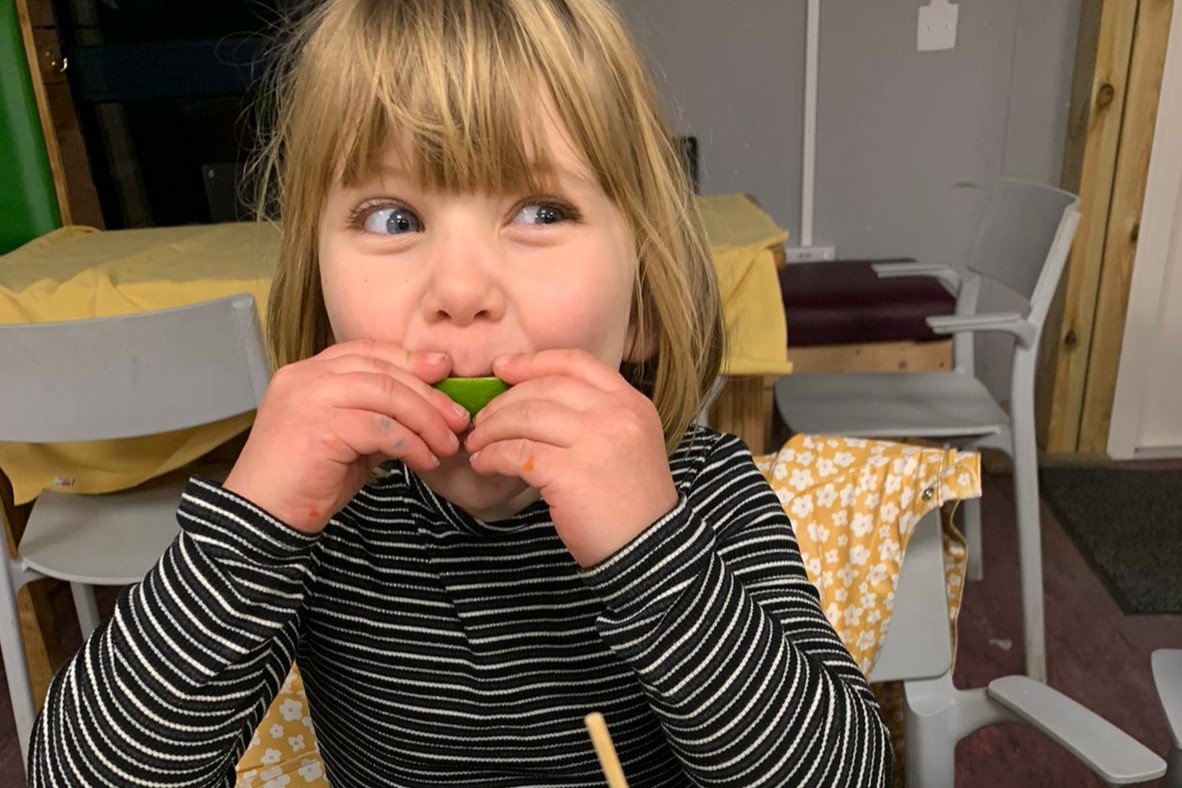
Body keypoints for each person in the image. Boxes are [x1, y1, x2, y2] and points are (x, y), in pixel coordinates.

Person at [28, 0, 892, 784]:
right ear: (323, 306)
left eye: (542, 211)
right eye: (392, 219)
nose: (461, 286)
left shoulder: (705, 496)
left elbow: (844, 773)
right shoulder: (318, 524)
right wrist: (252, 530)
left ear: (644, 311)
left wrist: (651, 552)